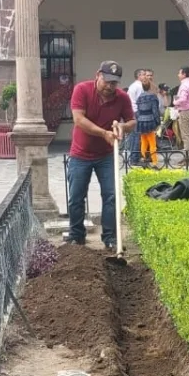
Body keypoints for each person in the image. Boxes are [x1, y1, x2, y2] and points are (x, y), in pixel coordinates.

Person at [67, 60, 135, 248]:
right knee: (76, 196)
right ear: (98, 75)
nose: (110, 87)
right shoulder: (82, 90)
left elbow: (132, 122)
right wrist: (103, 133)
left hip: (106, 155)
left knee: (111, 195)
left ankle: (111, 238)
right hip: (80, 154)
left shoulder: (122, 98)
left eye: (114, 83)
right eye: (107, 81)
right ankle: (76, 235)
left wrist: (122, 126)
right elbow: (78, 120)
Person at [137, 75, 161, 167]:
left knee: (143, 142)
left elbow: (138, 111)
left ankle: (144, 159)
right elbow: (155, 111)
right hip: (150, 121)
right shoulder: (153, 97)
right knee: (152, 142)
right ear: (150, 86)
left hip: (141, 121)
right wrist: (158, 122)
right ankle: (154, 161)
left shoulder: (139, 97)